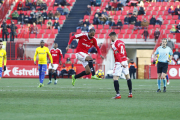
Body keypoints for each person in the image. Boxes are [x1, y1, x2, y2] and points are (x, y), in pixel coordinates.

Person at [109, 32, 132, 99]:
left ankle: (118, 94)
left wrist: (121, 62)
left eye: (110, 37)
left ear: (112, 36)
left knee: (115, 78)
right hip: (125, 61)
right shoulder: (122, 42)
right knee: (127, 76)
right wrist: (125, 57)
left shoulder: (114, 44)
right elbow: (124, 51)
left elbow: (117, 53)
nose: (110, 39)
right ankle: (130, 93)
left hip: (119, 62)